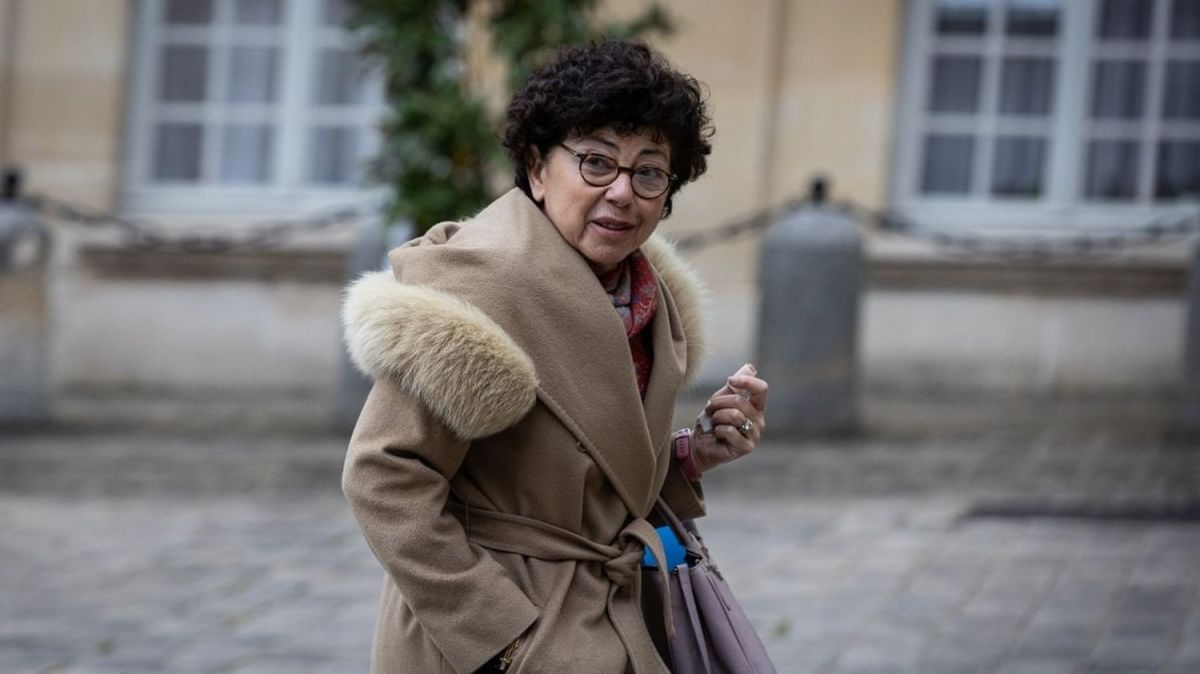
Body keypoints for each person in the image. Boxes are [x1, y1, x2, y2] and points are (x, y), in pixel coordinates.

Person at [341, 40, 769, 674]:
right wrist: (500, 635)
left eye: (649, 172)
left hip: (609, 617)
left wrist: (690, 454)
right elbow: (383, 476)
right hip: (499, 637)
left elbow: (587, 470)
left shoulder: (645, 297)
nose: (622, 192)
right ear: (538, 168)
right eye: (596, 162)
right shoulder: (476, 293)